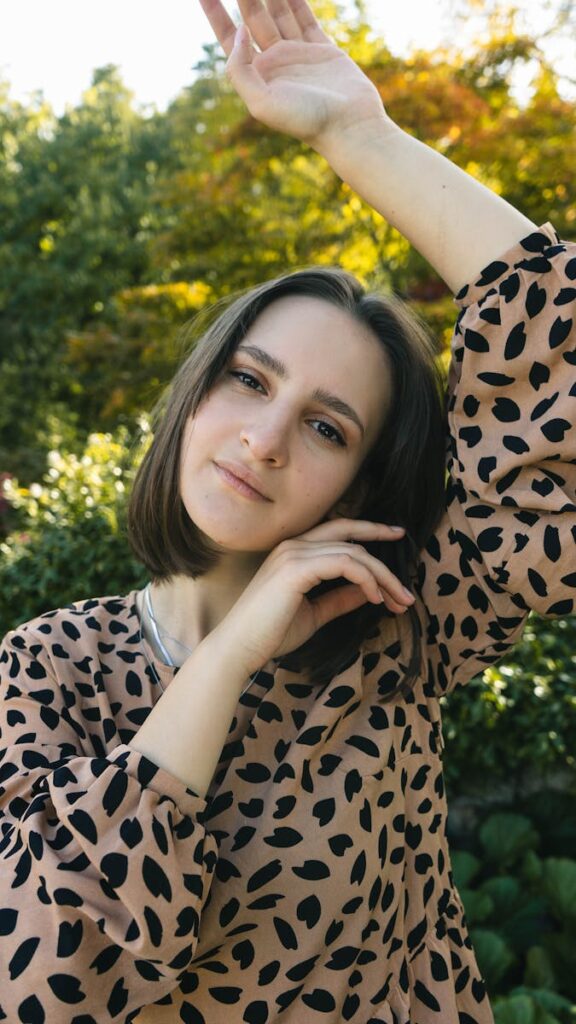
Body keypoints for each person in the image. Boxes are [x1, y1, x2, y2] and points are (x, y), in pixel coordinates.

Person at [0, 0, 574, 1020]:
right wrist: (227, 657)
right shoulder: (43, 668)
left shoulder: (399, 626)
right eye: (252, 383)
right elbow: (48, 977)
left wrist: (361, 136)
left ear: (357, 486)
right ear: (195, 395)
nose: (265, 438)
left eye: (327, 428)